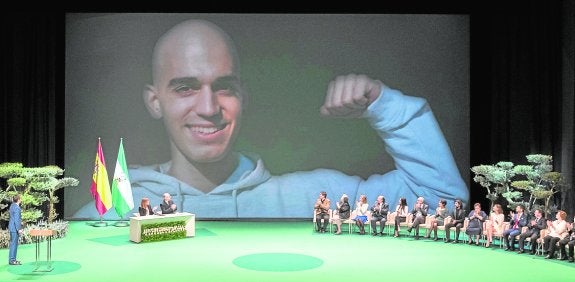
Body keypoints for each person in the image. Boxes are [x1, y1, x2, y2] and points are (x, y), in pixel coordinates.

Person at [72, 19, 468, 220]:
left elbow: (445, 202)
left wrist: (384, 104)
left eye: (224, 86)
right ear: (154, 101)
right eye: (186, 88)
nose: (208, 107)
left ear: (243, 96)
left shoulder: (314, 198)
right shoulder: (112, 211)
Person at [8, 194, 22, 265]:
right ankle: (12, 260)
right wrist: (19, 229)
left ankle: (12, 259)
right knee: (14, 244)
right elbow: (17, 220)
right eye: (20, 198)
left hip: (11, 228)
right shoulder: (17, 208)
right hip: (14, 228)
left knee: (12, 244)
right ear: (19, 199)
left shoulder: (12, 206)